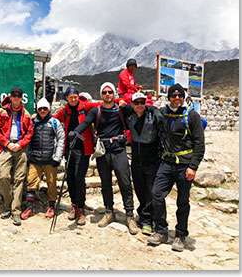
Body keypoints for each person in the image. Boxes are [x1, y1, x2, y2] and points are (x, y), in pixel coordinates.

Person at [71, 82, 140, 235]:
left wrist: (126, 106)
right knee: (106, 183)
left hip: (118, 149)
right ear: (101, 95)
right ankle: (109, 211)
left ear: (114, 93)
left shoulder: (121, 109)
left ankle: (129, 215)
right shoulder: (96, 111)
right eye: (105, 92)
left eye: (110, 92)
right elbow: (86, 123)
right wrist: (75, 132)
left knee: (125, 182)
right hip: (102, 151)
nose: (108, 95)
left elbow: (134, 115)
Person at [148, 83, 205, 251]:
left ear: (184, 97)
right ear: (169, 97)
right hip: (166, 163)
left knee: (182, 201)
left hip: (184, 165)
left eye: (180, 96)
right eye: (174, 96)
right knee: (156, 194)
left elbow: (199, 143)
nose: (177, 98)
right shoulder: (164, 114)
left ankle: (180, 235)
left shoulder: (191, 116)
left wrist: (193, 166)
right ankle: (161, 231)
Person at [53, 86, 101, 225]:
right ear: (66, 98)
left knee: (79, 179)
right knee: (71, 179)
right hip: (70, 149)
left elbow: (103, 103)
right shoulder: (65, 111)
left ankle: (80, 209)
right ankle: (75, 205)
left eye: (75, 96)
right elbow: (54, 118)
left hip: (83, 149)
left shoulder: (86, 106)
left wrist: (121, 101)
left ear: (78, 96)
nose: (73, 99)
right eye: (70, 97)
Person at [0, 87, 34, 226]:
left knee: (19, 179)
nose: (16, 98)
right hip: (6, 148)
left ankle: (15, 211)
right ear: (10, 97)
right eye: (14, 95)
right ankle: (8, 205)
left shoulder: (26, 114)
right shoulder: (2, 112)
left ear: (21, 98)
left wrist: (21, 144)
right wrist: (7, 143)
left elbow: (29, 132)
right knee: (3, 176)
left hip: (20, 148)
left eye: (18, 96)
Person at [123, 92, 163, 235]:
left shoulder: (153, 115)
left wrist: (155, 109)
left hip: (151, 159)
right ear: (132, 104)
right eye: (137, 103)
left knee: (150, 191)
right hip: (136, 159)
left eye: (142, 102)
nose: (140, 105)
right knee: (139, 189)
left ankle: (148, 220)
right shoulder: (130, 116)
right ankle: (142, 214)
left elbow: (163, 128)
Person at [20, 98, 65, 220]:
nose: (43, 111)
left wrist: (57, 157)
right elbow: (28, 138)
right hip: (35, 160)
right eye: (40, 109)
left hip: (50, 160)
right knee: (31, 183)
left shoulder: (55, 123)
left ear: (49, 109)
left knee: (51, 184)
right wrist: (28, 156)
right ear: (37, 109)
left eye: (45, 108)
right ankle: (30, 207)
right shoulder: (33, 122)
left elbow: (61, 139)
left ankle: (51, 206)